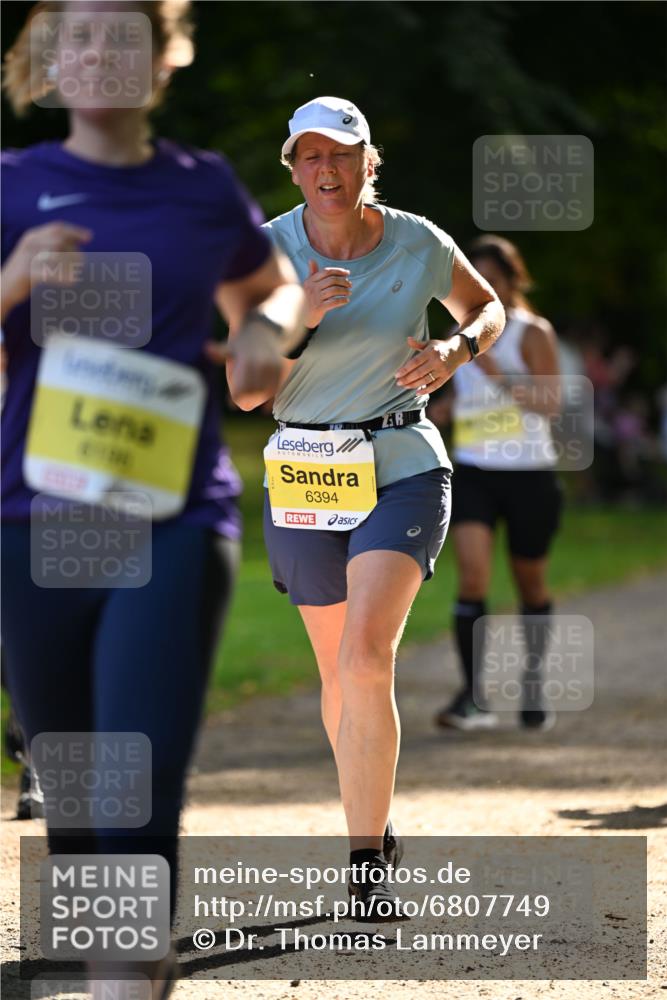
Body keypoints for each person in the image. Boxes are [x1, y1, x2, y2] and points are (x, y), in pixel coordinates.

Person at [1, 2, 305, 995]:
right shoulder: (11, 188)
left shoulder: (201, 186)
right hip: (33, 519)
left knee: (134, 773)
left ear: (165, 59)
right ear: (47, 64)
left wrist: (262, 327)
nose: (97, 53)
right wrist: (12, 282)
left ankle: (122, 974)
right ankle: (126, 958)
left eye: (123, 36)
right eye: (75, 37)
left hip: (174, 516)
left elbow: (279, 283)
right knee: (79, 793)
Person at [225, 96, 505, 919]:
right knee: (334, 674)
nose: (325, 169)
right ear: (292, 168)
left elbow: (486, 308)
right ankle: (375, 825)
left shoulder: (419, 241)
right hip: (306, 470)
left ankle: (363, 871)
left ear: (366, 163)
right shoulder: (264, 252)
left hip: (402, 462)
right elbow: (244, 392)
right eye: (309, 156)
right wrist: (301, 318)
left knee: (365, 656)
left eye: (340, 154)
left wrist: (455, 349)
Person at [433, 235, 563, 733]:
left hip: (530, 474)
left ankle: (533, 682)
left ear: (511, 280)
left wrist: (496, 372)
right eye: (476, 276)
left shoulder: (532, 331)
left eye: (494, 276)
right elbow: (460, 400)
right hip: (475, 473)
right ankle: (473, 695)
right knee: (472, 576)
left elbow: (551, 406)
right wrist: (446, 409)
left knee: (531, 583)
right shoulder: (458, 332)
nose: (485, 285)